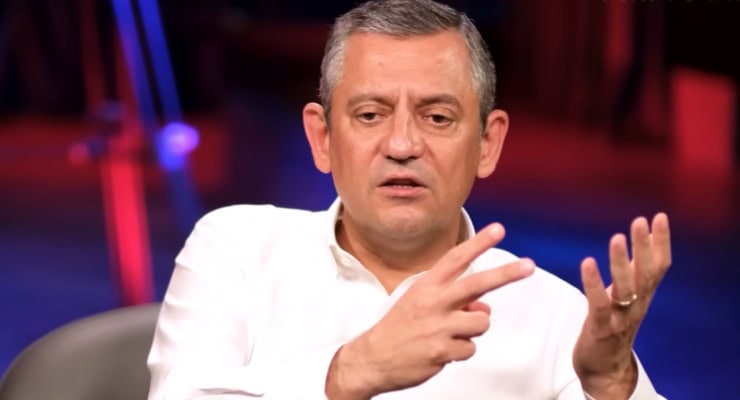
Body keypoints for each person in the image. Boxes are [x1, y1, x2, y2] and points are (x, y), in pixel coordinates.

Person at [147, 0, 672, 399]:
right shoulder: (235, 251)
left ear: (488, 143)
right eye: (370, 115)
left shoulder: (556, 315)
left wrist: (610, 388)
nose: (401, 145)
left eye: (437, 117)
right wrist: (351, 371)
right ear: (322, 138)